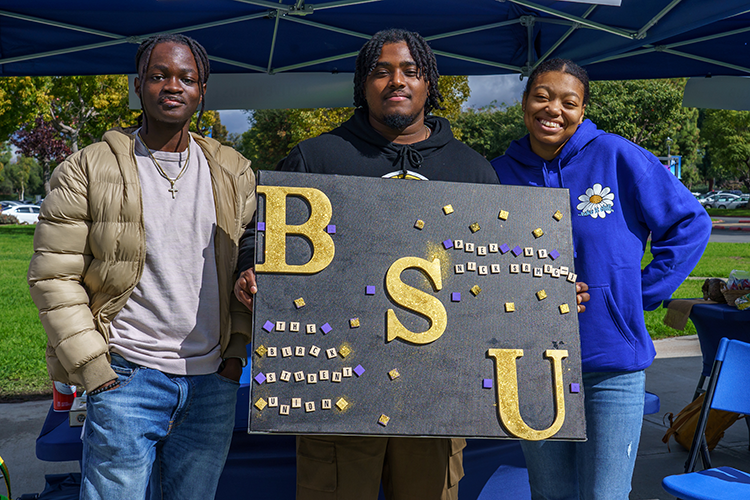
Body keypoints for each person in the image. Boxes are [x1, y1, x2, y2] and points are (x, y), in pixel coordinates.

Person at [234, 29, 589, 500]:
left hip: (436, 396)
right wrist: (249, 268)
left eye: (410, 71)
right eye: (381, 71)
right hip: (335, 389)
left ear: (429, 83)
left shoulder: (472, 170)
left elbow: (497, 273)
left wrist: (548, 296)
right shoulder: (315, 157)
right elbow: (256, 234)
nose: (395, 81)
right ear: (363, 82)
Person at [27, 34, 256, 500]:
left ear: (202, 90)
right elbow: (53, 276)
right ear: (138, 86)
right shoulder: (87, 169)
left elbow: (249, 260)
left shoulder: (234, 171)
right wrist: (95, 368)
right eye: (159, 75)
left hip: (212, 381)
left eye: (186, 78)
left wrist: (235, 356)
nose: (173, 86)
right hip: (126, 377)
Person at [490, 58, 711, 500]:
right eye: (542, 96)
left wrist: (641, 292)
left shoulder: (617, 156)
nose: (553, 109)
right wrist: (528, 294)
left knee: (605, 495)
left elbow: (690, 223)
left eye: (568, 102)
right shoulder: (498, 173)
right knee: (550, 494)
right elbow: (474, 260)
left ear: (583, 109)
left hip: (611, 365)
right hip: (531, 364)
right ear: (524, 103)